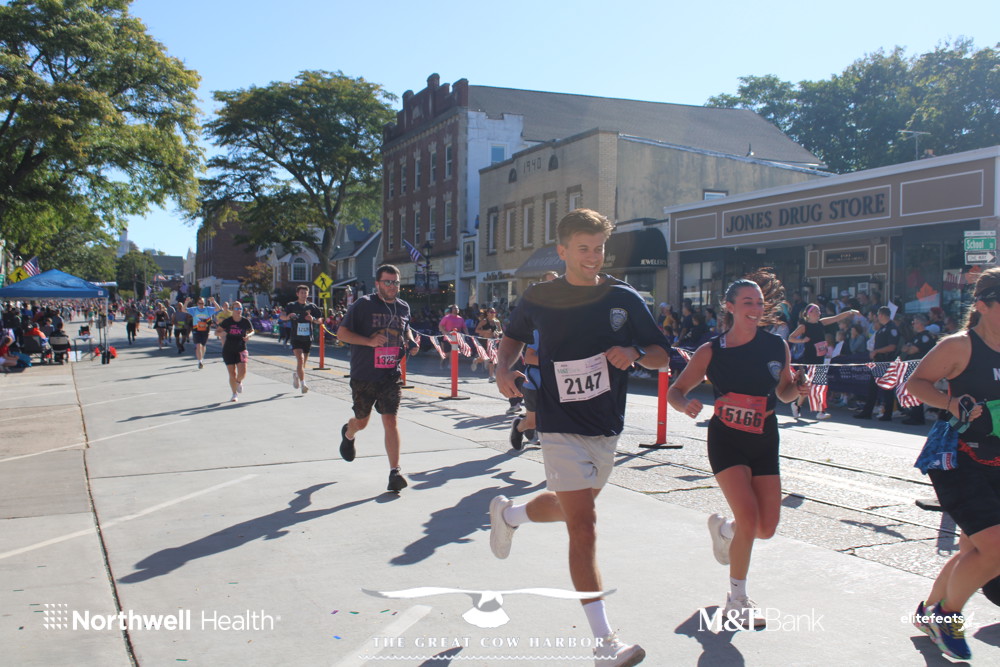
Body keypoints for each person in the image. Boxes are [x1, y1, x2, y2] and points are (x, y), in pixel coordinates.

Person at [490, 209, 670, 666]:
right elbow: (511, 338)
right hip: (558, 422)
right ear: (563, 251)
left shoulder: (623, 298)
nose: (592, 257)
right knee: (584, 525)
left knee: (571, 507)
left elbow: (662, 355)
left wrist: (634, 352)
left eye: (599, 248)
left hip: (605, 427)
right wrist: (502, 368)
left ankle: (510, 515)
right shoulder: (541, 296)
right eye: (583, 248)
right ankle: (605, 643)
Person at [667, 270, 809, 629]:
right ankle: (737, 600)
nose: (756, 308)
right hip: (727, 438)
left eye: (759, 302)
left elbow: (784, 393)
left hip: (765, 437)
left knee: (765, 527)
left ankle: (726, 532)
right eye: (748, 302)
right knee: (749, 517)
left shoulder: (776, 346)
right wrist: (685, 405)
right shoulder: (712, 350)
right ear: (730, 307)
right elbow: (675, 391)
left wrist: (798, 389)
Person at [904, 267, 1000, 660]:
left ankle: (928, 611)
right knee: (995, 548)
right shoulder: (960, 346)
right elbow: (914, 383)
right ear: (983, 306)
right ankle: (946, 617)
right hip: (959, 459)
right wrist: (949, 401)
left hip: (996, 460)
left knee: (972, 550)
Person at [336, 265, 418, 493]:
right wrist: (369, 341)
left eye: (396, 282)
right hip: (364, 374)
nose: (392, 286)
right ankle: (348, 432)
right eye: (387, 282)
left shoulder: (403, 307)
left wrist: (410, 340)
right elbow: (342, 334)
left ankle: (395, 472)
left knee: (390, 420)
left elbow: (405, 328)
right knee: (362, 421)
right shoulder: (363, 305)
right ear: (377, 284)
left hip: (390, 374)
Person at [787, 303, 858, 420]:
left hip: (820, 359)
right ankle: (807, 407)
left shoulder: (821, 323)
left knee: (817, 385)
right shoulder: (804, 326)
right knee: (813, 385)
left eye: (819, 311)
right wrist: (802, 340)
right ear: (809, 314)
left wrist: (850, 312)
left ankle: (811, 408)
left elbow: (836, 318)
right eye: (816, 311)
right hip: (810, 360)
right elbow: (791, 337)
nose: (818, 313)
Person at [853, 306, 900, 421]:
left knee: (887, 389)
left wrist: (876, 351)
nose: (877, 317)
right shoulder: (882, 328)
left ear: (882, 315)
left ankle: (887, 414)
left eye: (878, 315)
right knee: (872, 388)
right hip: (878, 361)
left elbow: (892, 347)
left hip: (886, 361)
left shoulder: (892, 328)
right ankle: (867, 412)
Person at [281, 286, 323, 394]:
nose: (304, 295)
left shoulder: (312, 306)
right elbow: (282, 316)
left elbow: (320, 320)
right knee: (300, 359)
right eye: (302, 293)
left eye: (305, 293)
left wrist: (313, 319)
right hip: (296, 337)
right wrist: (288, 316)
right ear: (297, 294)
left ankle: (296, 375)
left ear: (308, 294)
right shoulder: (291, 305)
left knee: (303, 363)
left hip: (307, 338)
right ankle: (303, 384)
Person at [900, 314, 936, 425]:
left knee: (916, 390)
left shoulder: (925, 336)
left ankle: (917, 417)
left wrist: (908, 349)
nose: (913, 325)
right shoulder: (916, 336)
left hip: (920, 367)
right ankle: (914, 414)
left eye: (914, 322)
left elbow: (912, 350)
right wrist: (908, 349)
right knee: (912, 390)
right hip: (912, 366)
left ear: (920, 324)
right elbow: (904, 348)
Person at [216, 302, 254, 402]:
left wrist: (248, 335)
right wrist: (223, 333)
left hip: (241, 348)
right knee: (232, 373)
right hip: (228, 349)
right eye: (237, 309)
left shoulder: (245, 321)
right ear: (232, 310)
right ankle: (234, 394)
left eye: (240, 308)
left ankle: (238, 381)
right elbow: (216, 332)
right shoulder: (227, 321)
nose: (239, 311)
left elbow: (252, 331)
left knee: (243, 372)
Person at [187, 297, 220, 369]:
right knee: (198, 345)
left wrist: (213, 301)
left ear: (204, 303)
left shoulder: (208, 309)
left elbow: (218, 308)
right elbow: (183, 309)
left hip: (205, 330)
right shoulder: (194, 309)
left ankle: (201, 358)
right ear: (197, 303)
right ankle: (200, 361)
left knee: (203, 345)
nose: (201, 305)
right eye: (199, 303)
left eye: (202, 303)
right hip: (196, 330)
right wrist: (186, 302)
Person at [475, 307, 503, 382]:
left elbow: (501, 331)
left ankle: (491, 376)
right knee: (484, 357)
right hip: (485, 341)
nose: (493, 314)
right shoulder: (484, 321)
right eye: (491, 312)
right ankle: (476, 361)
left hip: (493, 341)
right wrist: (485, 331)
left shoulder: (497, 321)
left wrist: (497, 332)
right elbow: (477, 330)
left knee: (492, 358)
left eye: (494, 312)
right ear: (487, 313)